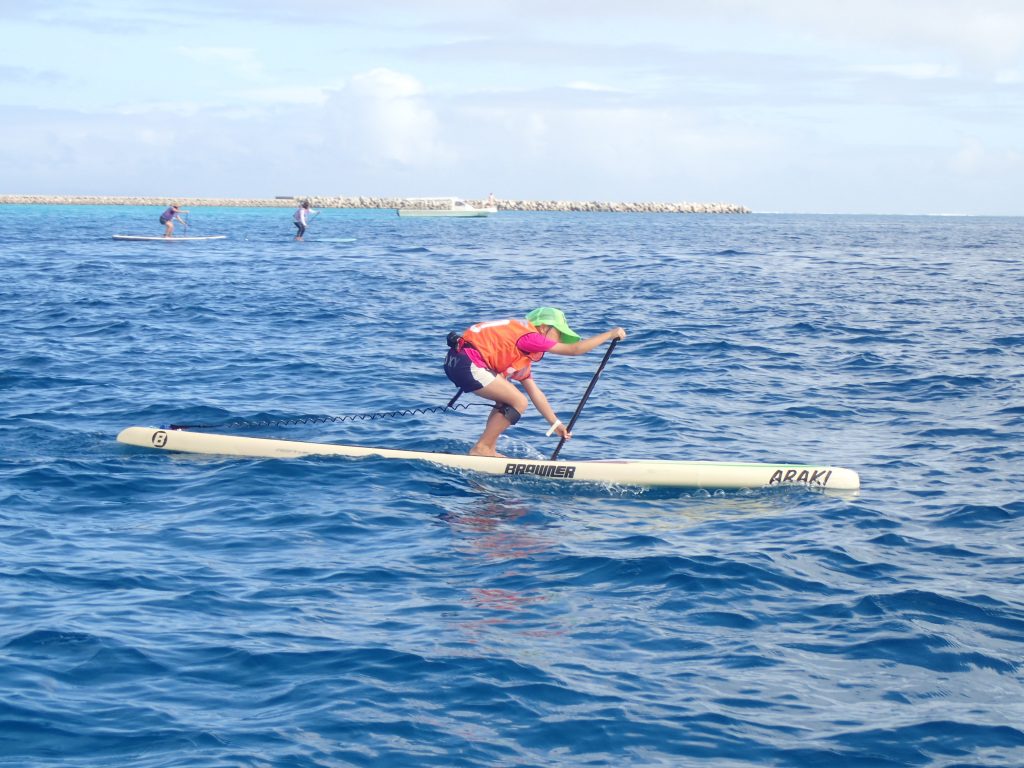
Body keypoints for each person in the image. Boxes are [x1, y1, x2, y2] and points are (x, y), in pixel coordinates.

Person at [444, 307, 627, 457]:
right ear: (544, 327)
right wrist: (610, 334)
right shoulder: (530, 336)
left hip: (457, 361)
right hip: (468, 363)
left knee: (509, 399)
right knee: (519, 402)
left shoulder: (519, 344)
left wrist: (556, 425)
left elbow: (536, 393)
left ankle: (487, 448)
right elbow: (575, 350)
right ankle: (482, 449)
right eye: (558, 333)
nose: (560, 340)